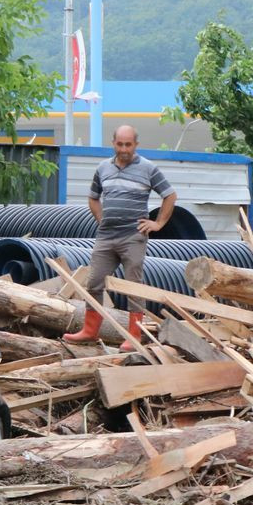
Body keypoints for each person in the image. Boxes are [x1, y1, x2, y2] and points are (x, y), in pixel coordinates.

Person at [63, 125, 176, 348]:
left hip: (133, 236)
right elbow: (93, 197)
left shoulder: (148, 168)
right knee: (94, 281)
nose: (124, 149)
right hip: (106, 236)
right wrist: (101, 219)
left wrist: (158, 223)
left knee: (133, 284)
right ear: (113, 143)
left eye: (128, 144)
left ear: (136, 145)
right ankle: (90, 330)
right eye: (120, 144)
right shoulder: (103, 168)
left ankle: (134, 335)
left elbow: (170, 195)